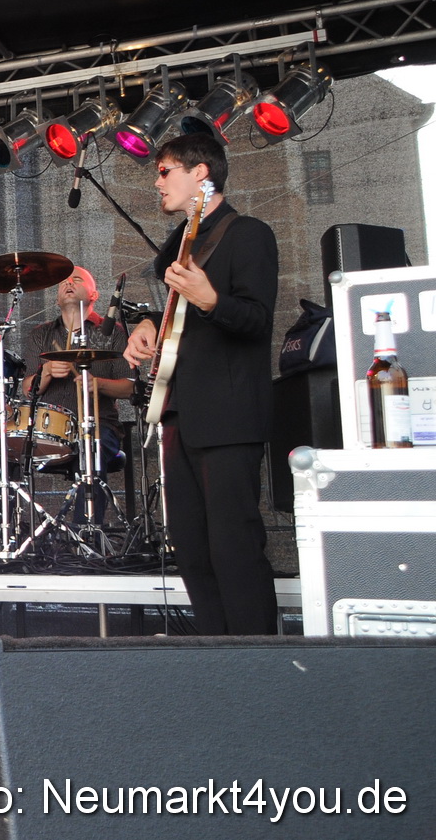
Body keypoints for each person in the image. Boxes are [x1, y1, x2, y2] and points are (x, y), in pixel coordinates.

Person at [123, 131, 279, 635]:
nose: (157, 181)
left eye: (165, 170)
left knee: (233, 545)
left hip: (228, 414)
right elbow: (176, 314)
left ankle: (259, 659)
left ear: (201, 173)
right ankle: (216, 657)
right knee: (191, 547)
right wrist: (148, 325)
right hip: (179, 412)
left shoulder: (247, 233)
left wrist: (211, 299)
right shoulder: (180, 242)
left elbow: (256, 319)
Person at [19, 265, 133, 494]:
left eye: (77, 279)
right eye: (63, 282)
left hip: (99, 426)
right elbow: (29, 390)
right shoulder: (41, 334)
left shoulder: (113, 332)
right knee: (8, 449)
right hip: (50, 428)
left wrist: (97, 384)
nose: (69, 283)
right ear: (56, 300)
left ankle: (86, 517)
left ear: (94, 295)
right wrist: (46, 371)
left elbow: (130, 388)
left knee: (89, 450)